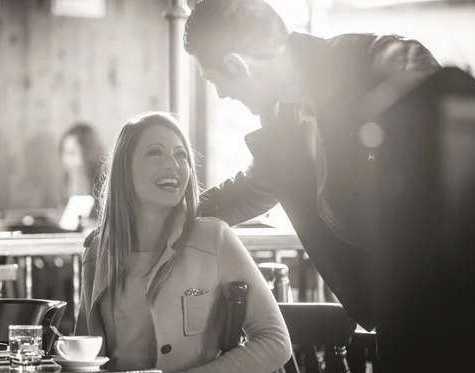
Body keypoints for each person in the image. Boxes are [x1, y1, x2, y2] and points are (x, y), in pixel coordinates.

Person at [183, 0, 442, 332]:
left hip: (455, 299)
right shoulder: (281, 114)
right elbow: (253, 189)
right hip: (399, 308)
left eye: (213, 80)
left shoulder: (381, 61)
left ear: (236, 65)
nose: (219, 95)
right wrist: (165, 218)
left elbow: (460, 157)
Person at [75, 111, 291, 373]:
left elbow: (275, 342)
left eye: (181, 155)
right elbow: (85, 366)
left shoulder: (214, 238)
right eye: (155, 153)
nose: (173, 165)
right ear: (124, 170)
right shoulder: (97, 252)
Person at [59, 122, 106, 224]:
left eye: (84, 152)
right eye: (68, 153)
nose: (78, 160)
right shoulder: (65, 182)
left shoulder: (108, 185)